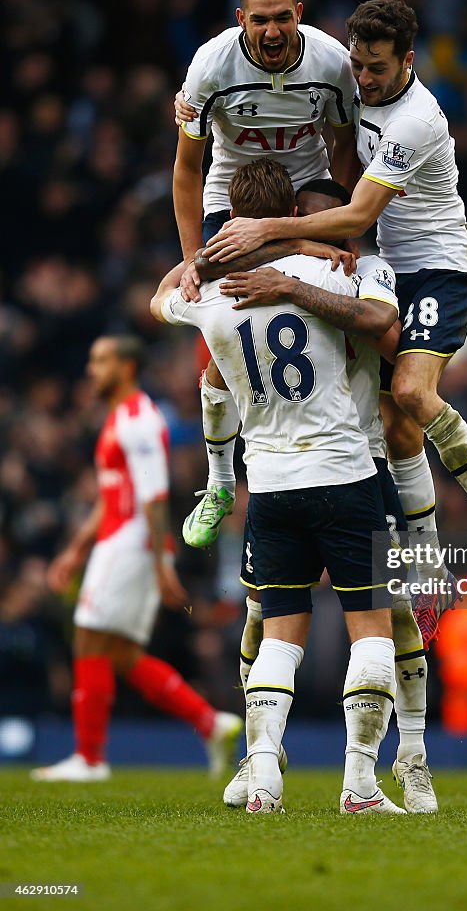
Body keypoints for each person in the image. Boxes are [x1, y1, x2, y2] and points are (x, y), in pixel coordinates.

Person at [200, 0, 467, 622]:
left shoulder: (418, 120)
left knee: (408, 391)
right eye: (358, 63)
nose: (365, 76)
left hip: (442, 269)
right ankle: (429, 573)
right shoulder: (358, 87)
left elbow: (357, 211)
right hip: (393, 269)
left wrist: (268, 230)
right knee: (391, 423)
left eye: (378, 66)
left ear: (408, 61)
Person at [151, 159, 405, 814]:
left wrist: (204, 259)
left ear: (231, 218)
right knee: (371, 631)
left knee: (277, 638)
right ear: (291, 212)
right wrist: (298, 246)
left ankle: (263, 781)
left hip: (267, 486)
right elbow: (382, 327)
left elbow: (159, 300)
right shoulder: (333, 270)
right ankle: (359, 785)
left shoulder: (208, 294)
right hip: (345, 474)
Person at [172, 0, 360, 546]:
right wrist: (191, 262)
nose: (273, 31)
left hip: (308, 188)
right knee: (220, 342)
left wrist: (337, 227)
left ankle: (361, 448)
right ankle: (221, 483)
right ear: (242, 21)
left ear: (298, 14)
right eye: (260, 20)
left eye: (283, 17)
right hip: (235, 192)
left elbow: (346, 146)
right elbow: (187, 168)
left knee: (335, 307)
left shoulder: (331, 63)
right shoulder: (211, 66)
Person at [31, 335, 243, 782]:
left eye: (101, 360)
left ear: (127, 367)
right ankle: (210, 722)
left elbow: (153, 494)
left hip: (130, 545)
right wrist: (77, 547)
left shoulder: (139, 419)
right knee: (122, 654)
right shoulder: (119, 417)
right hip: (120, 540)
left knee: (89, 639)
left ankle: (89, 759)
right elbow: (113, 494)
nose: (92, 370)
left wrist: (162, 559)